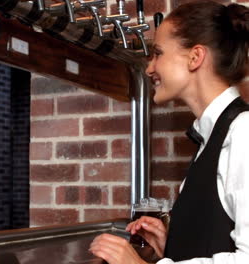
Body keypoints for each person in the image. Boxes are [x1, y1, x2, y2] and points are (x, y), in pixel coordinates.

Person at [89, 1, 249, 263]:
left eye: (158, 54)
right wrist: (171, 248)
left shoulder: (243, 131)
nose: (150, 68)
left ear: (195, 57)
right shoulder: (211, 137)